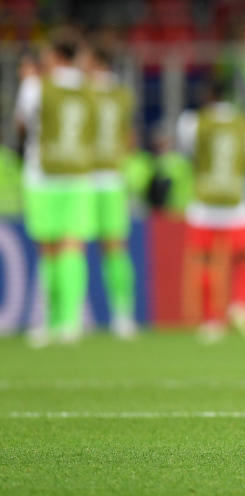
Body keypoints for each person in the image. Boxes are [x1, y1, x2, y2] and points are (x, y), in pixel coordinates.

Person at [15, 29, 95, 346]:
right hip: (78, 174)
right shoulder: (89, 89)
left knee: (47, 249)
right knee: (73, 246)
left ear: (55, 56)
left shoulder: (35, 86)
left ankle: (48, 321)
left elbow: (21, 124)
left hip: (42, 175)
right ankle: (71, 323)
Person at [178, 77, 245, 343]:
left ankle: (212, 320)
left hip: (205, 201)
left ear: (208, 96)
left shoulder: (192, 123)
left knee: (204, 259)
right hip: (238, 200)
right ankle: (241, 303)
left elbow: (188, 153)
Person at [87, 43, 138, 339]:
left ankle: (67, 318)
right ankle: (124, 316)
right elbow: (129, 138)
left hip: (82, 177)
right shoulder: (122, 95)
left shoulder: (82, 92)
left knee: (68, 247)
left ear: (94, 61)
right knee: (115, 248)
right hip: (114, 177)